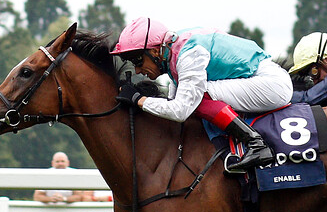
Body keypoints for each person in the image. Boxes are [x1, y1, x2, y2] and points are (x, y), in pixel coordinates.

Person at [109, 17, 293, 172]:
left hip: (271, 84)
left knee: (197, 98)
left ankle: (256, 144)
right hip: (261, 80)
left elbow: (180, 111)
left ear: (156, 50)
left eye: (138, 60)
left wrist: (138, 100)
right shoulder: (175, 53)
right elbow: (173, 106)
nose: (138, 70)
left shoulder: (188, 54)